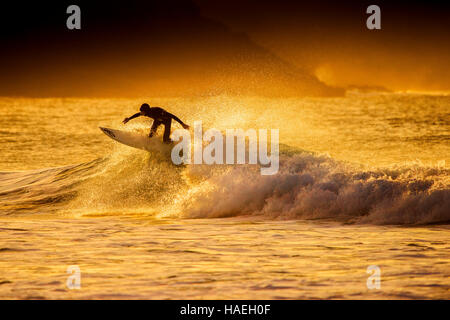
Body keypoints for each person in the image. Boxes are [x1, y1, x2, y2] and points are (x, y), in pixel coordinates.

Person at [123, 103, 189, 143]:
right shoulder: (146, 112)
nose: (141, 113)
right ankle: (153, 141)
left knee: (165, 140)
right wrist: (129, 118)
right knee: (151, 135)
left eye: (142, 111)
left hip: (167, 121)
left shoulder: (156, 111)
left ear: (146, 110)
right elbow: (137, 114)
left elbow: (171, 115)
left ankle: (174, 143)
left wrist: (182, 124)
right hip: (157, 120)